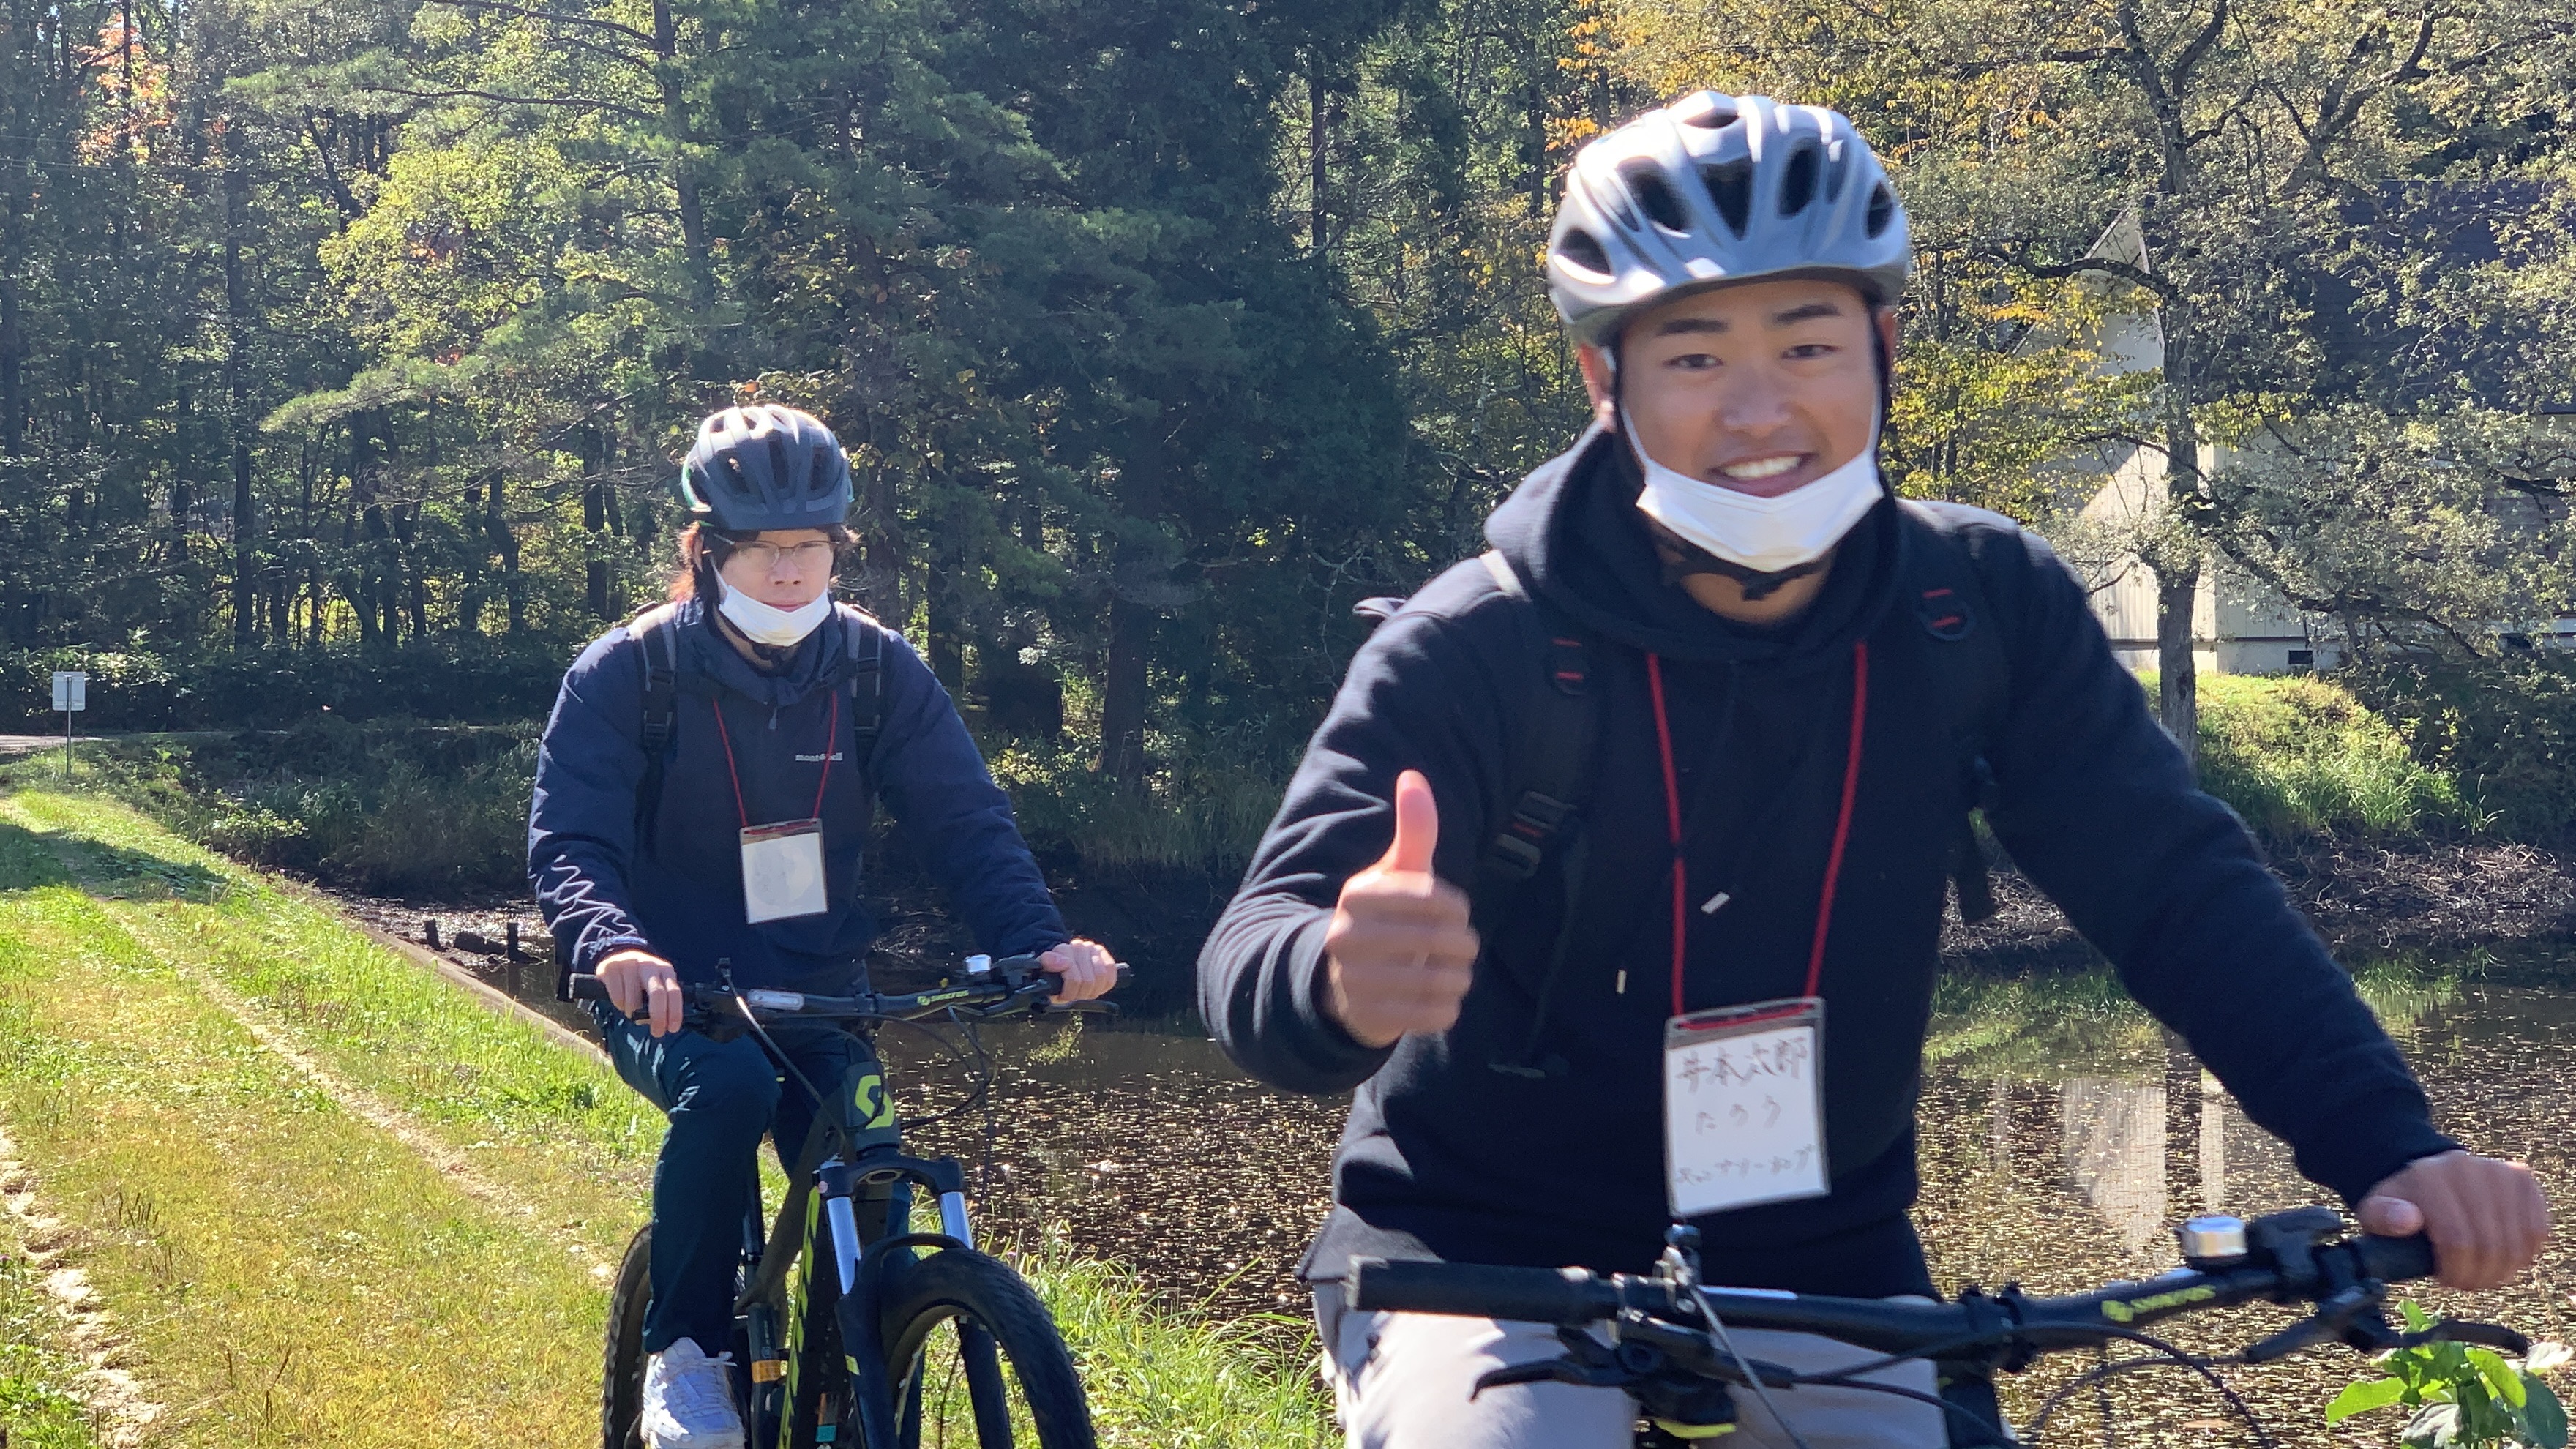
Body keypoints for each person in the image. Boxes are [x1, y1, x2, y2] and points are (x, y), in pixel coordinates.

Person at [1197, 92, 2549, 1449]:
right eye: (1694, 359)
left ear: (1884, 346)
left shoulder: (1977, 609)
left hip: (1819, 1251)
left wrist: (2392, 1147)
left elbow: (2181, 898)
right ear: (1606, 383)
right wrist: (1334, 976)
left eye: (1807, 342)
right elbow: (1253, 946)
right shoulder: (1482, 644)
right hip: (1477, 1254)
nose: (1762, 407)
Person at [529, 403, 1116, 1449]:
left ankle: (860, 1382)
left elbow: (966, 819)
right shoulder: (629, 674)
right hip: (676, 997)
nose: (791, 569)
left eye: (810, 545)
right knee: (732, 1087)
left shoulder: (878, 670)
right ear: (707, 550)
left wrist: (1039, 941)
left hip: (820, 991)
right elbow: (571, 841)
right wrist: (613, 943)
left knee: (871, 1155)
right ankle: (688, 1356)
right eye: (764, 548)